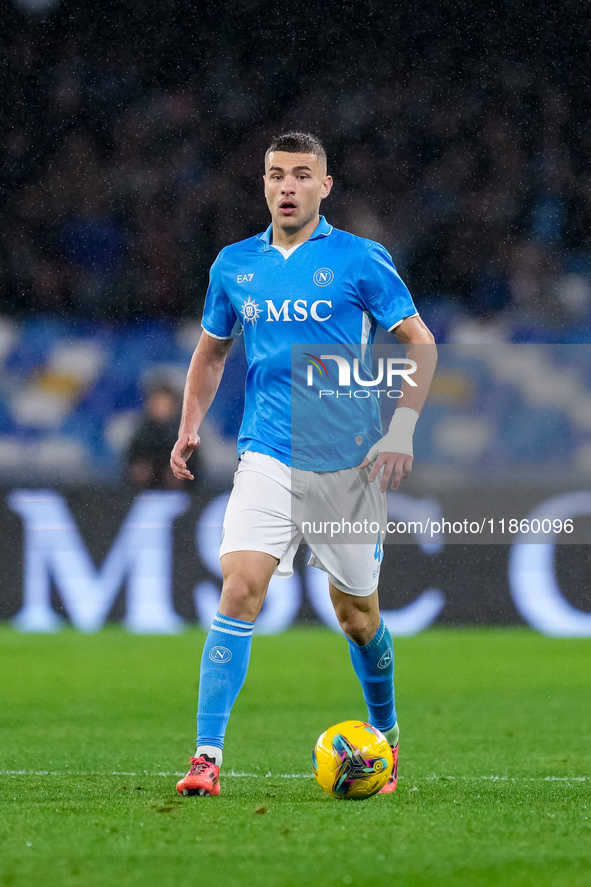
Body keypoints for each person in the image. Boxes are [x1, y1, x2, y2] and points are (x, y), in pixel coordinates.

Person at [170, 132, 437, 797]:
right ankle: (206, 757)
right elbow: (210, 353)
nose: (285, 185)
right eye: (274, 174)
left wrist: (400, 428)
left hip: (346, 464)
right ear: (263, 184)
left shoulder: (359, 259)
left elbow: (420, 343)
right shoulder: (235, 265)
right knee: (239, 587)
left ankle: (387, 735)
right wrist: (189, 426)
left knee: (356, 616)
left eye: (300, 174)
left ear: (325, 186)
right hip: (265, 454)